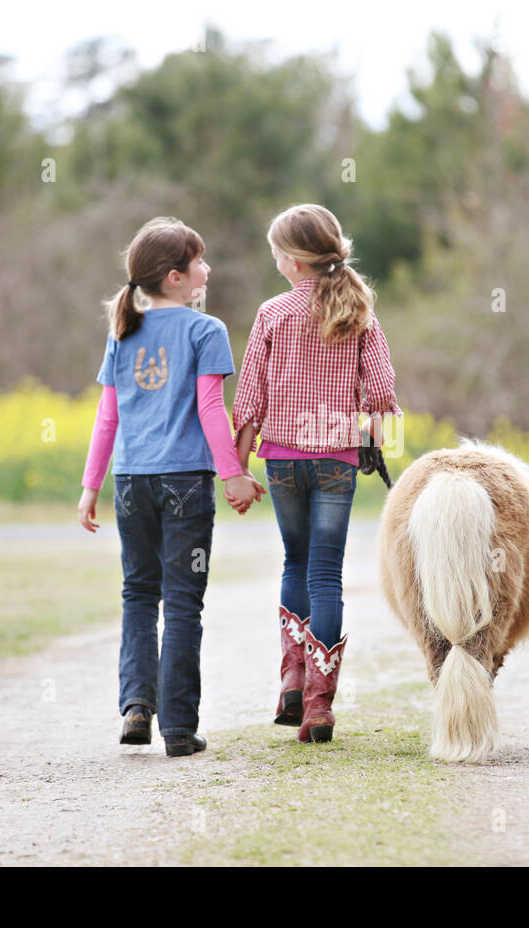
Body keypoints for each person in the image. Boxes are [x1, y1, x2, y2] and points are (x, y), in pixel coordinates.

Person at [77, 216, 265, 757]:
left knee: (138, 594)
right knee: (183, 604)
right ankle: (179, 730)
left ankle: (137, 707)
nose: (208, 268)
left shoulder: (124, 332)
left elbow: (106, 418)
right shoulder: (206, 331)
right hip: (185, 481)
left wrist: (92, 485)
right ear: (178, 277)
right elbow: (210, 409)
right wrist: (233, 474)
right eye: (200, 260)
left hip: (131, 484)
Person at [231, 203, 402, 743]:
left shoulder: (272, 314)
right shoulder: (359, 312)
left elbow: (249, 400)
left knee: (294, 559)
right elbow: (381, 393)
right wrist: (378, 442)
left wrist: (236, 469)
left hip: (281, 459)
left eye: (277, 252)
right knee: (326, 572)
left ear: (292, 260)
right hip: (336, 460)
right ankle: (319, 707)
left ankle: (290, 677)